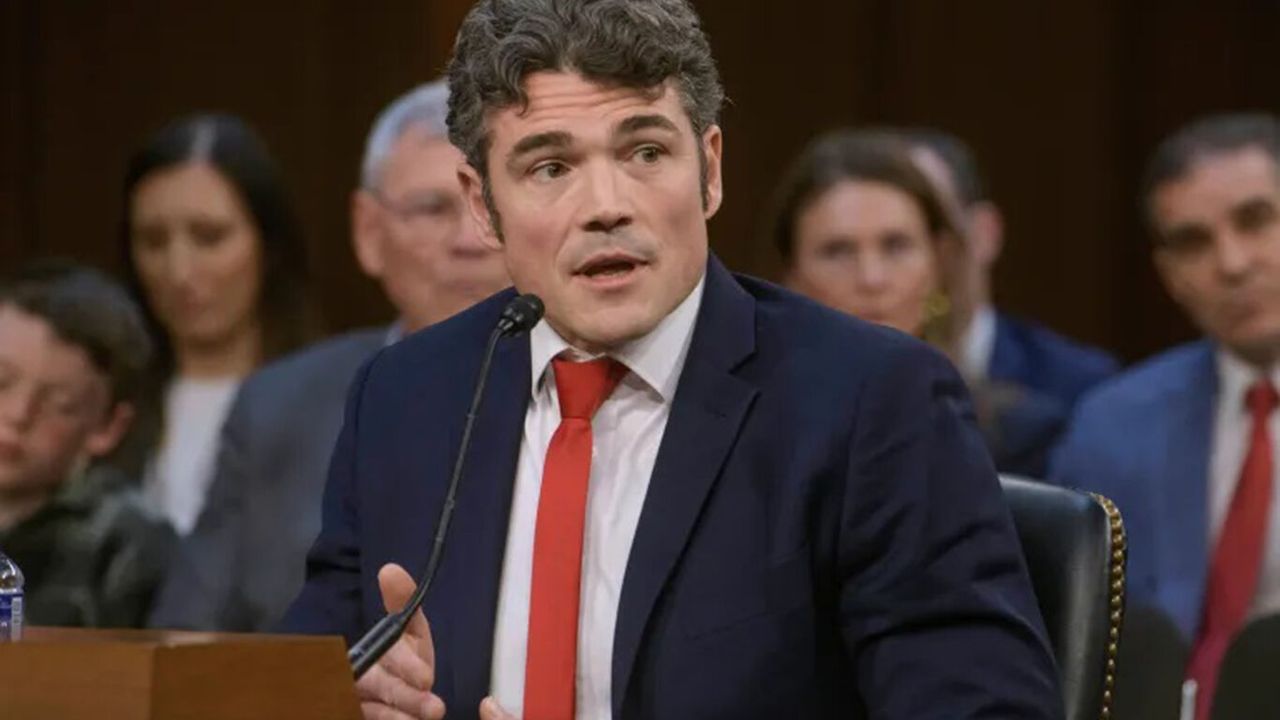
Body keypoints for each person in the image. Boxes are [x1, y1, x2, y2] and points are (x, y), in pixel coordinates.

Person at [282, 1, 1062, 719]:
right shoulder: (407, 398)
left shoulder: (871, 403)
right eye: (550, 168)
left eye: (646, 152)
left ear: (710, 169)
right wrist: (346, 704)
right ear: (483, 206)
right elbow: (298, 684)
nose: (606, 206)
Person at [148, 80, 509, 632]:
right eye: (433, 208)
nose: (470, 240)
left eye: (491, 206)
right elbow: (181, 641)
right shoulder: (276, 407)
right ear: (369, 232)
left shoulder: (599, 395)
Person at [1051, 113, 1280, 719]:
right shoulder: (1113, 423)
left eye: (1255, 220)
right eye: (1194, 243)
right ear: (1170, 275)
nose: (1232, 263)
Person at [772, 130, 1067, 477]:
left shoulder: (1019, 436)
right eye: (838, 251)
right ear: (791, 273)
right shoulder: (750, 430)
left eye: (896, 246)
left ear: (939, 261)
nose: (872, 278)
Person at [119, 114, 318, 535]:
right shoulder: (108, 409)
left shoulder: (332, 398)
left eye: (209, 237)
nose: (179, 271)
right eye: (153, 241)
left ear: (268, 244)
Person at [0, 261, 175, 627]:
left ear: (108, 427)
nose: (18, 414)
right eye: (2, 382)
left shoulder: (128, 542)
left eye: (60, 404)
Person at [900, 128, 1119, 417]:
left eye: (930, 229)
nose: (873, 275)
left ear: (984, 233)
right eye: (846, 248)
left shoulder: (1081, 388)